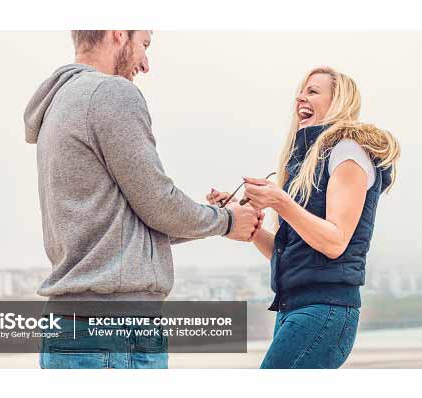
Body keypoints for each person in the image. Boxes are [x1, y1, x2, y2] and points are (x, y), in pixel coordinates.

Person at [20, 30, 262, 369]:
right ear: (119, 33)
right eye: (144, 44)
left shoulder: (60, 102)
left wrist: (216, 215)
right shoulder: (111, 93)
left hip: (70, 327)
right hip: (116, 331)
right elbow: (159, 204)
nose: (146, 64)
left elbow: (134, 216)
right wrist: (228, 222)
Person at [214, 67, 398, 369]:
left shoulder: (348, 152)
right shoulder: (302, 165)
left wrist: (280, 202)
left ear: (338, 101)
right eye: (301, 91)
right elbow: (289, 254)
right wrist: (244, 220)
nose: (301, 96)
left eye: (313, 91)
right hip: (293, 309)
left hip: (325, 310)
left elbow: (336, 242)